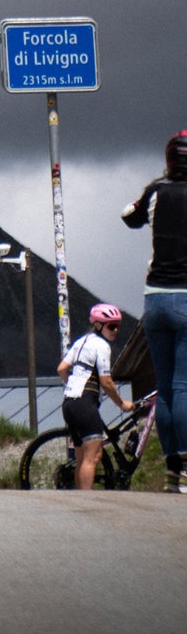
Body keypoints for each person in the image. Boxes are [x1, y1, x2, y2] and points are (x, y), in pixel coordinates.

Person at [123, 130, 187, 493]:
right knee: (184, 387)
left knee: (164, 388)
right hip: (186, 298)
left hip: (154, 300)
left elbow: (127, 215)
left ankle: (171, 473)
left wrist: (153, 186)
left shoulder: (156, 192)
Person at [56, 302, 131, 491]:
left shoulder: (81, 341)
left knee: (81, 459)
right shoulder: (102, 346)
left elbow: (62, 369)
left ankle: (80, 500)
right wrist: (122, 404)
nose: (115, 330)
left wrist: (72, 384)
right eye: (111, 326)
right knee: (92, 458)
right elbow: (106, 382)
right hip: (84, 403)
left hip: (69, 403)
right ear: (98, 325)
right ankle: (87, 502)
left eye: (117, 325)